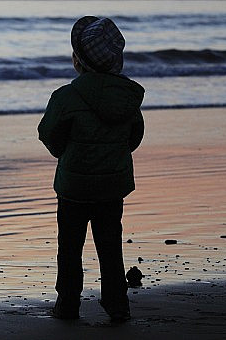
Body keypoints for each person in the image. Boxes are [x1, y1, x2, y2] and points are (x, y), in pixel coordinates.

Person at [37, 16, 145, 322]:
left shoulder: (66, 97)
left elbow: (48, 134)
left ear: (77, 62)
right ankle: (117, 305)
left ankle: (67, 304)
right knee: (110, 246)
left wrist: (66, 154)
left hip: (73, 186)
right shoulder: (126, 99)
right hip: (113, 186)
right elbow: (134, 137)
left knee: (69, 248)